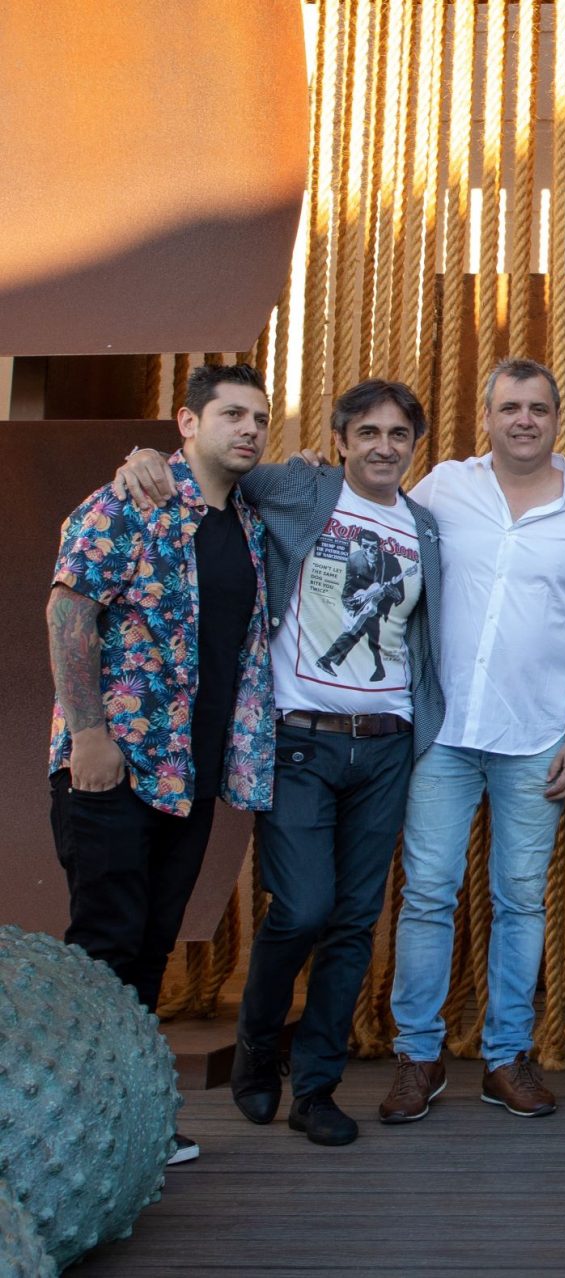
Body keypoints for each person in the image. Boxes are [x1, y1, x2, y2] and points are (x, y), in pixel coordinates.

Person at [115, 378, 445, 1148]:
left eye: (399, 435)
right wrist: (141, 458)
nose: (384, 446)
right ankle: (260, 1045)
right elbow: (207, 467)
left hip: (387, 744)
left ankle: (318, 1086)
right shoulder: (301, 487)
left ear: (413, 447)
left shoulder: (424, 527)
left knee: (356, 920)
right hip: (300, 738)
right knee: (301, 907)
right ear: (341, 439)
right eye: (368, 432)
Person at [380, 357, 565, 1123]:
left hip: (537, 737)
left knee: (520, 900)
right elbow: (363, 518)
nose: (525, 419)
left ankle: (506, 1056)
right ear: (486, 415)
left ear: (559, 420)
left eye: (539, 408)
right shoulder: (443, 489)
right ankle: (418, 1054)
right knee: (426, 894)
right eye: (510, 406)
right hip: (443, 733)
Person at [49, 362, 275, 1166]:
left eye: (260, 417)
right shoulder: (131, 501)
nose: (249, 429)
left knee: (149, 950)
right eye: (232, 415)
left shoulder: (246, 520)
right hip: (113, 764)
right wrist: (89, 735)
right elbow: (70, 609)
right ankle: (65, 1128)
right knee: (104, 945)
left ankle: (131, 1118)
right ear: (187, 422)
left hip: (189, 775)